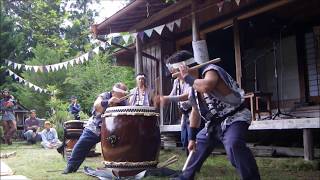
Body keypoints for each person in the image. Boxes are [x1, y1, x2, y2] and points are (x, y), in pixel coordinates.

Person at [174, 50, 260, 180]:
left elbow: (207, 86)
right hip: (213, 124)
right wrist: (192, 138)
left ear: (183, 68)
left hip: (235, 116)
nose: (177, 77)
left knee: (234, 144)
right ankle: (185, 177)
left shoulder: (210, 70)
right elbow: (195, 113)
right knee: (198, 145)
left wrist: (186, 76)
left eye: (176, 72)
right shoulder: (192, 88)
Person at [62, 82, 128, 174]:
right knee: (82, 145)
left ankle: (120, 167)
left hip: (113, 130)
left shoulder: (124, 102)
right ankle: (71, 167)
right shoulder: (104, 96)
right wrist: (108, 102)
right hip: (96, 127)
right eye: (120, 94)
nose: (122, 96)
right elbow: (97, 106)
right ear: (113, 92)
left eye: (124, 94)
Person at [160, 51, 199, 155]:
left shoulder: (193, 79)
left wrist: (168, 98)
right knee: (184, 139)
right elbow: (173, 94)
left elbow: (187, 96)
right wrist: (164, 98)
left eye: (175, 69)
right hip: (184, 113)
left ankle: (193, 162)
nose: (172, 71)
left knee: (193, 137)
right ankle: (190, 162)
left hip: (194, 112)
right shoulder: (177, 81)